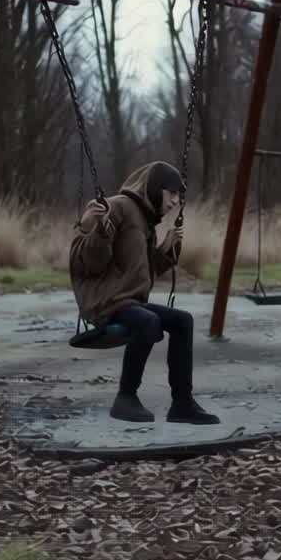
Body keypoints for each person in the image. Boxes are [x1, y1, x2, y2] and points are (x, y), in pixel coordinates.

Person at [68, 161, 220, 425]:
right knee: (149, 321)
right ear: (155, 188)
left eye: (179, 196)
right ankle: (125, 398)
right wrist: (93, 227)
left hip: (128, 302)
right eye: (172, 193)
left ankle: (182, 404)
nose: (175, 202)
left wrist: (166, 249)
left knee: (183, 321)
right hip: (105, 301)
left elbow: (140, 274)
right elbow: (88, 264)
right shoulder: (117, 207)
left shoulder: (145, 220)